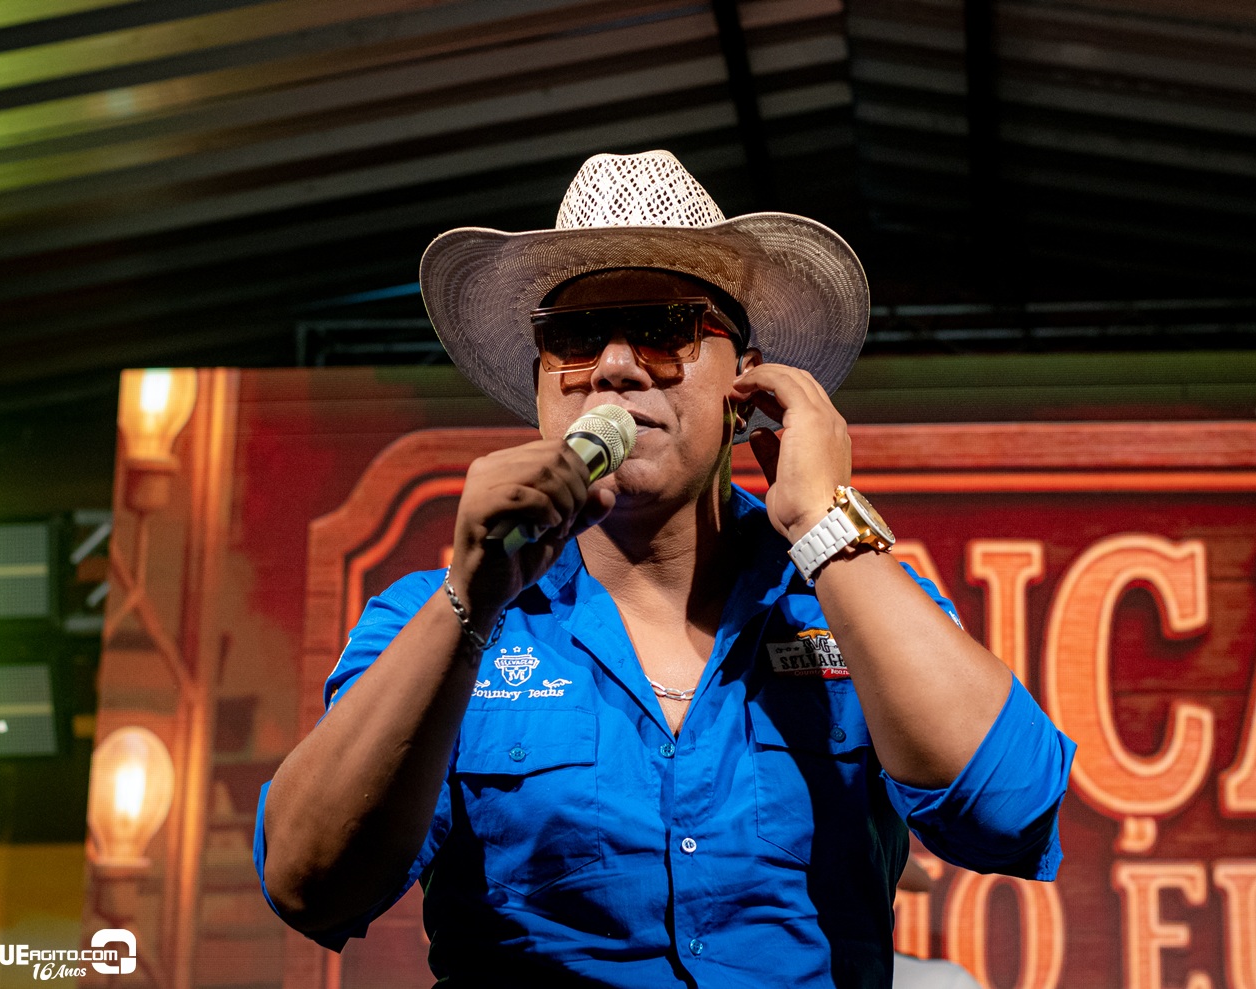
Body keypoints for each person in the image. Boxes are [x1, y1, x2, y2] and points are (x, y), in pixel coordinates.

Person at [254, 150, 1075, 988]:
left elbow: (1008, 811)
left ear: (746, 380)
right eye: (574, 338)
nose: (615, 365)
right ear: (542, 388)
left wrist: (823, 523)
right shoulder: (431, 618)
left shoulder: (846, 601)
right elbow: (306, 883)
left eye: (664, 328)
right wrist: (468, 602)